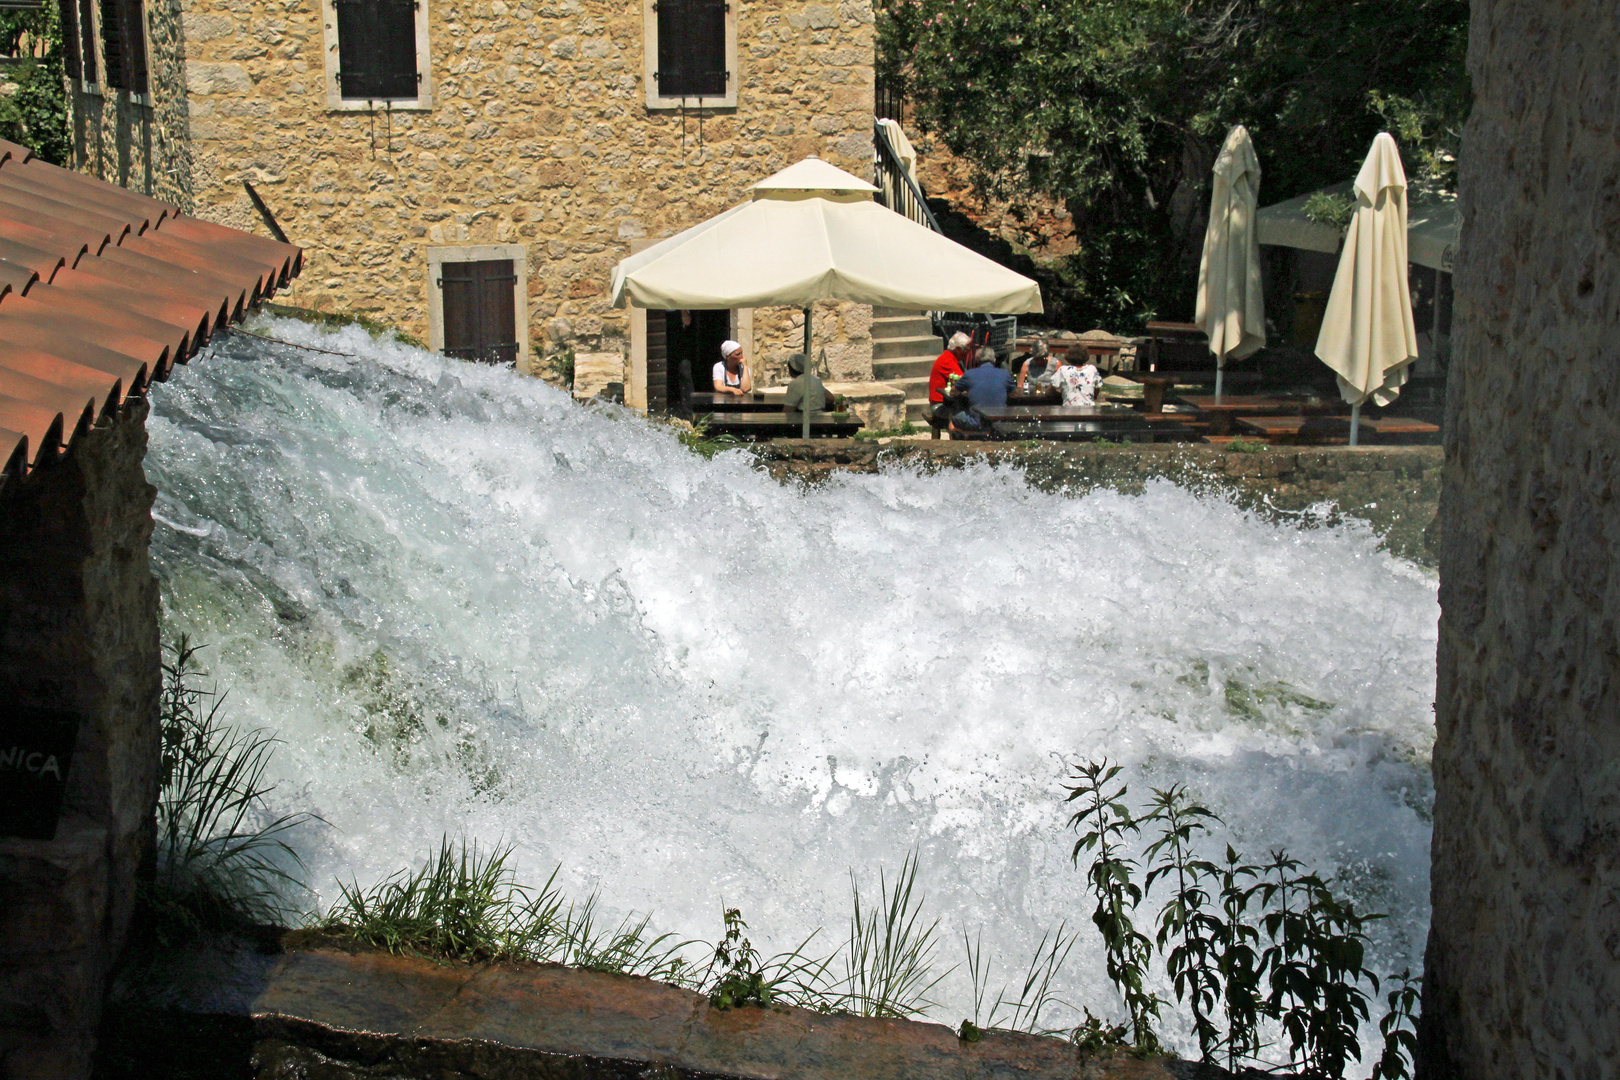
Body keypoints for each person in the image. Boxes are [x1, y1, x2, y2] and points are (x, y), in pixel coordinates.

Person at [949, 346, 1016, 434]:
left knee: (953, 418)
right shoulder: (1005, 374)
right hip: (999, 422)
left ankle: (966, 436)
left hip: (976, 423)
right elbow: (1013, 392)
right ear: (994, 360)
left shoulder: (970, 374)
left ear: (976, 359)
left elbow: (953, 392)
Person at [927, 331, 974, 427]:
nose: (968, 353)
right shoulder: (947, 360)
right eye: (967, 350)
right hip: (940, 405)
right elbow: (964, 381)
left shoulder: (949, 358)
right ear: (957, 349)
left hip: (946, 403)